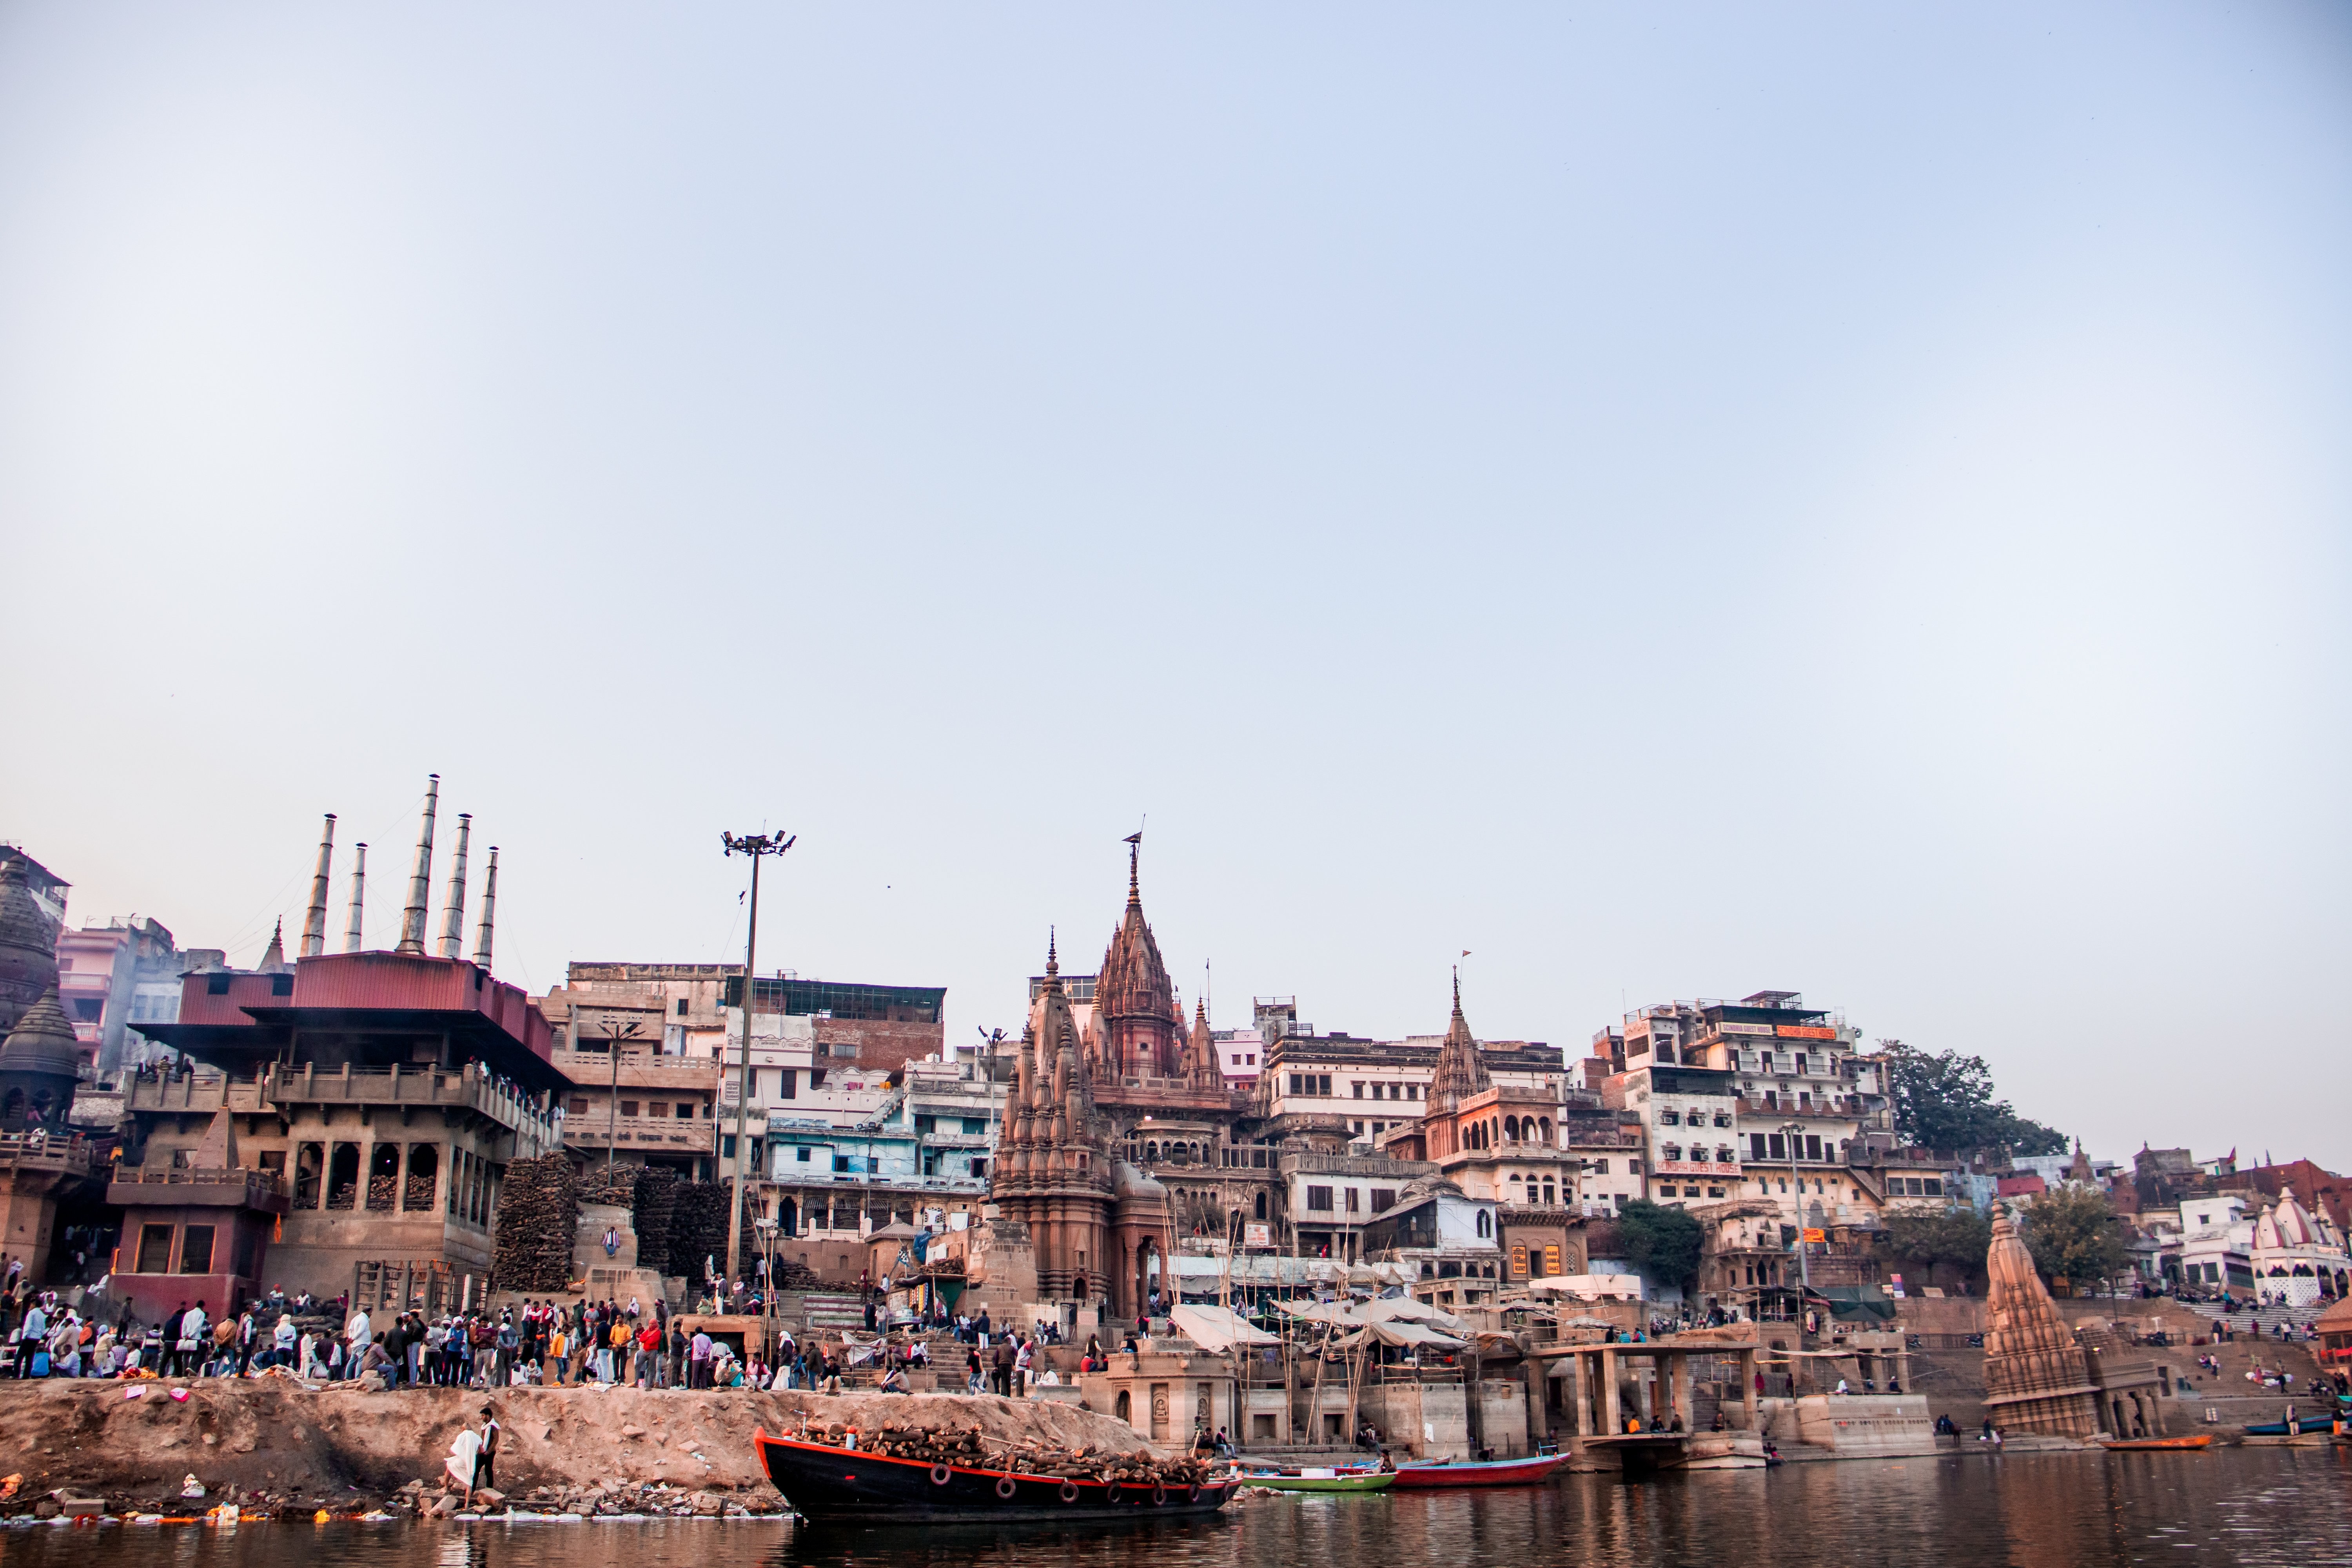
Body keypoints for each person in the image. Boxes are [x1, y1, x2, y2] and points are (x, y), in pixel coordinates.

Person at [466, 1405, 501, 1508]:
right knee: (476, 1471)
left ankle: (490, 1489)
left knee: (488, 1471)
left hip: (489, 1453)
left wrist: (489, 1451)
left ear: (488, 1416)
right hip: (482, 1452)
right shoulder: (485, 1426)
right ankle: (471, 1490)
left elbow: (495, 1440)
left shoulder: (493, 1426)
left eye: (483, 1416)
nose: (482, 1417)